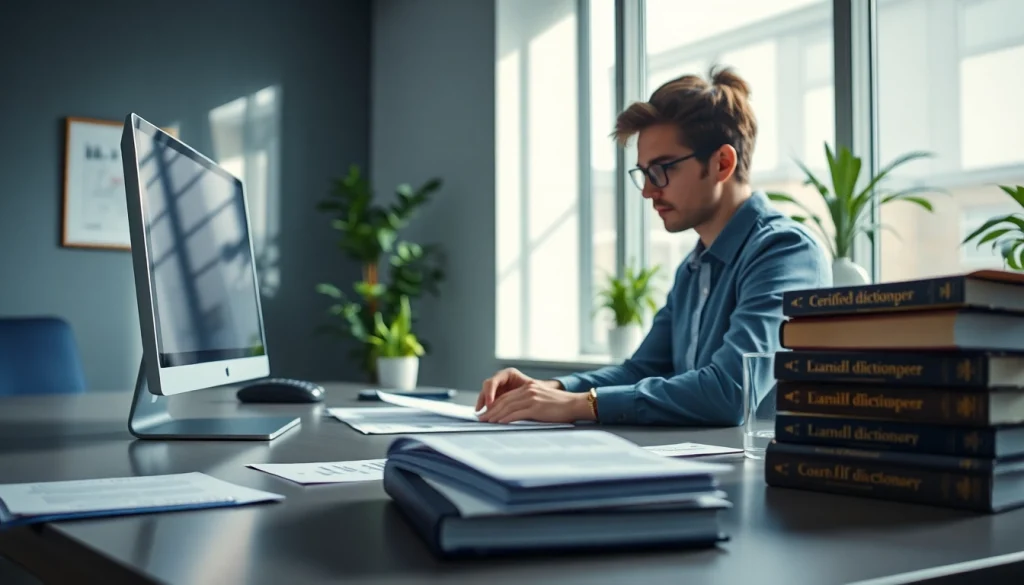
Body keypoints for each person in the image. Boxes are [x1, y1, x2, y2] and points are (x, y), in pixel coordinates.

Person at [477, 65, 832, 426]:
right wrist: (549, 389)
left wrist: (579, 404)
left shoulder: (785, 252)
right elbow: (641, 370)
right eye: (644, 173)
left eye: (662, 169)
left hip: (764, 461)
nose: (648, 190)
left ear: (722, 164)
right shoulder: (694, 267)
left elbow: (731, 391)